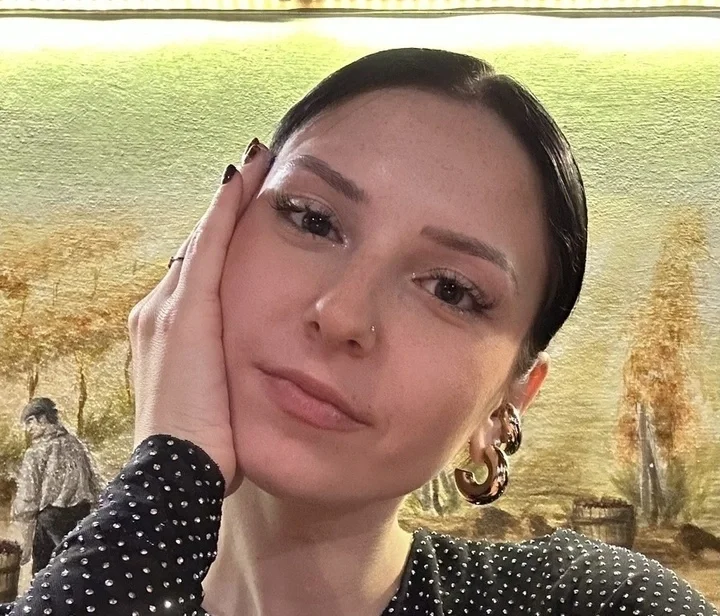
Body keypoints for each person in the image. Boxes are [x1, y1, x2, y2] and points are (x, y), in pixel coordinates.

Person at [1, 47, 717, 615]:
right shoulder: (81, 590)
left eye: (450, 289)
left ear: (509, 401)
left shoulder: (592, 604)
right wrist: (166, 482)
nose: (342, 315)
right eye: (314, 220)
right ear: (211, 240)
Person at [10, 397, 102, 574]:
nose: (27, 429)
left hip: (50, 521)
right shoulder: (75, 445)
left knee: (44, 575)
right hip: (81, 518)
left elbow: (28, 499)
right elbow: (94, 483)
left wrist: (20, 521)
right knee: (76, 571)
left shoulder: (34, 453)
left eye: (30, 421)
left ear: (43, 418)